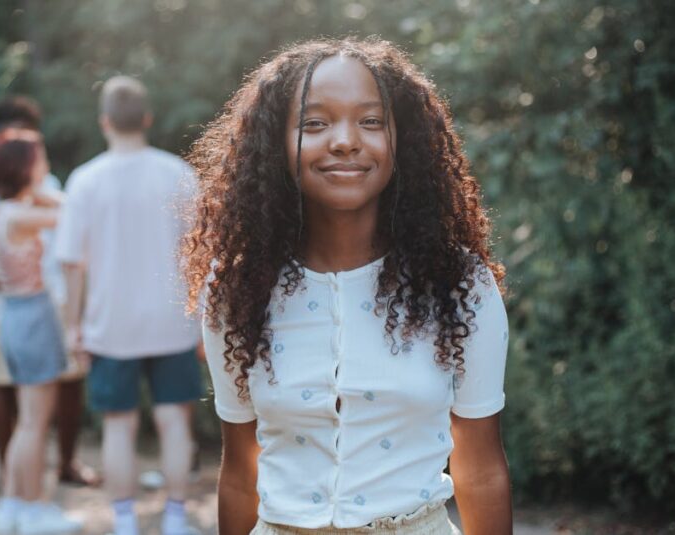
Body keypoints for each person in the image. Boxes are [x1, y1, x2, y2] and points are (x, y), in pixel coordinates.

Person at [182, 37, 512, 535]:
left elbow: (481, 470)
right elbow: (239, 472)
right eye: (314, 123)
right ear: (276, 142)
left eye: (371, 121)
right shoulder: (237, 287)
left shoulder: (459, 284)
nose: (344, 140)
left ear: (403, 141)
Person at [55, 76, 202, 535]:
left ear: (104, 122)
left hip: (110, 323)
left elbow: (71, 264)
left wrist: (70, 326)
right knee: (174, 422)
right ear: (147, 119)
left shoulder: (85, 180)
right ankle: (175, 521)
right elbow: (200, 253)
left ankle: (125, 524)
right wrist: (201, 321)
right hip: (172, 322)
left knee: (118, 427)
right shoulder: (178, 174)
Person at [0, 96, 98, 491]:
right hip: (24, 306)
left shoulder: (11, 200)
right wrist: (17, 281)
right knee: (29, 414)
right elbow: (73, 217)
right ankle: (17, 488)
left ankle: (34, 482)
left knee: (50, 401)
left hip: (37, 304)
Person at [0, 135, 83, 534]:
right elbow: (75, 214)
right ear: (25, 168)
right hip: (34, 315)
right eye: (39, 160)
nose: (45, 166)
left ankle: (11, 503)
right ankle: (34, 507)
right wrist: (44, 194)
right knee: (33, 423)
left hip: (13, 315)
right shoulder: (21, 215)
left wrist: (38, 193)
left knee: (28, 419)